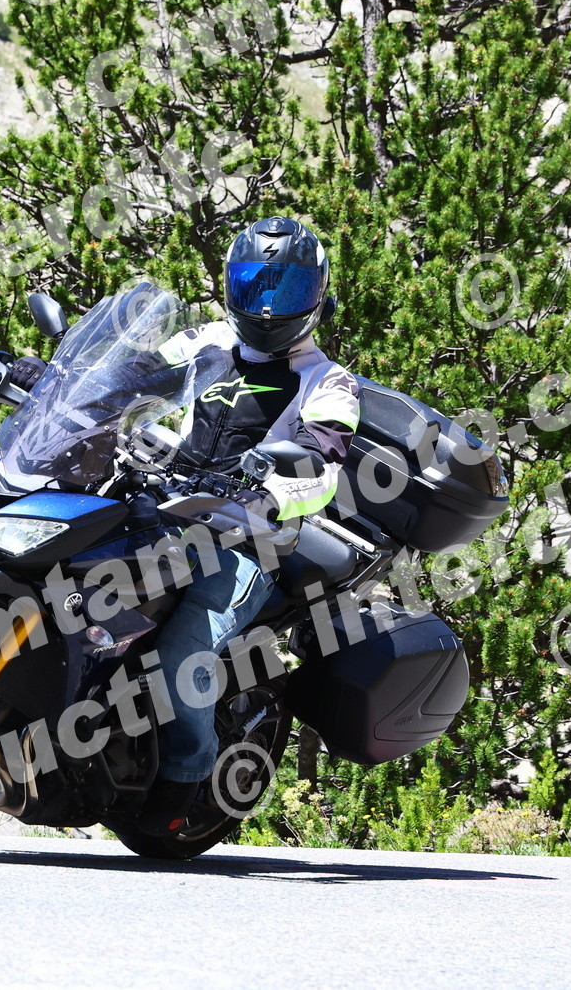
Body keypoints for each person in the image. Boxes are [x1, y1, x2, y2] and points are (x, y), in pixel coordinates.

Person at [134, 215, 361, 835]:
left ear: (316, 296)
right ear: (232, 284)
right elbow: (133, 375)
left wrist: (272, 492)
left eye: (286, 289)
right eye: (255, 283)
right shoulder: (206, 343)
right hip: (161, 511)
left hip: (244, 542)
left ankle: (184, 780)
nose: (266, 306)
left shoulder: (328, 381)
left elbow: (324, 461)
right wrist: (53, 380)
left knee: (181, 651)